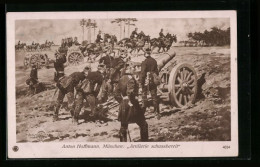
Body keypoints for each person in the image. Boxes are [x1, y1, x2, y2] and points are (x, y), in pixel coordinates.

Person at [114, 63, 148, 142]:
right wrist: (132, 101)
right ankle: (145, 144)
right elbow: (130, 92)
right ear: (128, 69)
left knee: (123, 127)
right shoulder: (131, 79)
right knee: (143, 124)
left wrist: (122, 101)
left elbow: (115, 94)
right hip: (131, 105)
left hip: (123, 105)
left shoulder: (121, 78)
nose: (134, 70)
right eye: (133, 68)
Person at [140, 48, 161, 119]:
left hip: (146, 81)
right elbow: (157, 72)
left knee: (144, 97)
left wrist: (141, 82)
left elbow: (142, 74)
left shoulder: (144, 62)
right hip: (153, 81)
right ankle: (157, 113)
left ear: (145, 54)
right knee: (154, 96)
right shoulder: (154, 61)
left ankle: (142, 114)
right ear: (150, 53)